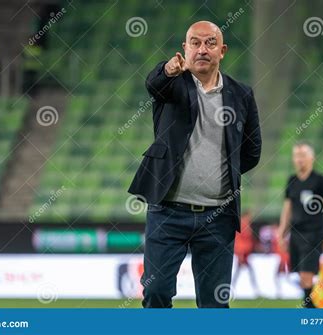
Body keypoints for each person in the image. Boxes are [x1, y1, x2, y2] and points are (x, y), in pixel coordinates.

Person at [128, 21, 262, 308]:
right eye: (195, 43)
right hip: (168, 212)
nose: (202, 49)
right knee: (156, 293)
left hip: (218, 217)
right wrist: (168, 70)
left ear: (222, 50)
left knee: (215, 304)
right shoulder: (172, 86)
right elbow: (154, 83)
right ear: (184, 49)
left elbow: (251, 152)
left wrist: (219, 178)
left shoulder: (241, 95)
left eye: (210, 43)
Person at [277, 142, 323, 308]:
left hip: (314, 233)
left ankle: (309, 311)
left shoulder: (321, 181)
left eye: (303, 155)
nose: (299, 159)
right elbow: (287, 208)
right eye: (296, 156)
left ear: (312, 158)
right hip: (296, 234)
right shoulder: (292, 181)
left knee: (306, 274)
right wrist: (282, 232)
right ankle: (312, 308)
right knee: (302, 275)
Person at [232, 210, 260, 297]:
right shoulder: (242, 224)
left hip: (245, 252)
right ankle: (230, 288)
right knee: (243, 271)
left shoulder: (247, 224)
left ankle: (230, 288)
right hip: (242, 252)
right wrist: (240, 253)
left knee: (242, 271)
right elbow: (239, 240)